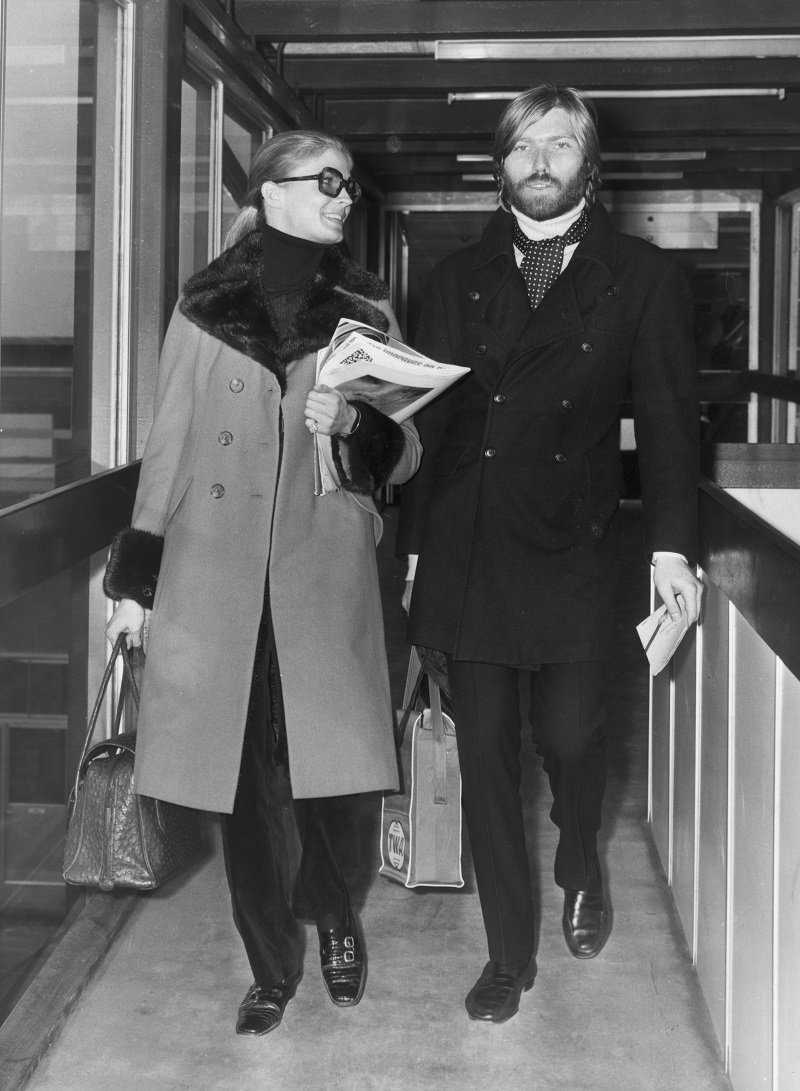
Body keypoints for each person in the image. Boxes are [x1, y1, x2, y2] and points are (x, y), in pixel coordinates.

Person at [103, 129, 421, 1037]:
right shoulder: (205, 306)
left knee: (332, 782)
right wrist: (137, 580)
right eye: (325, 182)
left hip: (321, 571)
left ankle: (336, 919)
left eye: (349, 186)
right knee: (243, 784)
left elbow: (409, 451)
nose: (341, 197)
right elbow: (167, 445)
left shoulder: (365, 308)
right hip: (219, 574)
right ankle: (269, 962)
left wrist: (356, 419)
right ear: (271, 192)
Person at [396, 85, 703, 1024]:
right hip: (471, 545)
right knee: (485, 753)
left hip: (576, 547)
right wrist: (412, 548)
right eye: (523, 144)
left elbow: (664, 425)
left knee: (571, 739)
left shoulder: (641, 276)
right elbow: (429, 432)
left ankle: (580, 863)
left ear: (589, 163)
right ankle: (505, 954)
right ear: (498, 163)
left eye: (560, 143)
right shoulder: (451, 283)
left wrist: (673, 550)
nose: (540, 159)